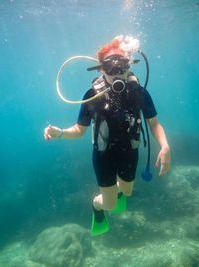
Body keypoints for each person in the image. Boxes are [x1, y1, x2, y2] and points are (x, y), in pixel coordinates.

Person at [44, 36, 171, 236]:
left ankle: (117, 193)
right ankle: (97, 205)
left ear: (130, 66)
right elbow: (79, 130)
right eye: (111, 67)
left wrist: (165, 146)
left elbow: (154, 123)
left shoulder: (140, 93)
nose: (117, 71)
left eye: (122, 65)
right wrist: (59, 133)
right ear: (101, 69)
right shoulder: (92, 96)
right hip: (103, 156)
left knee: (127, 191)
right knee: (110, 205)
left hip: (130, 151)